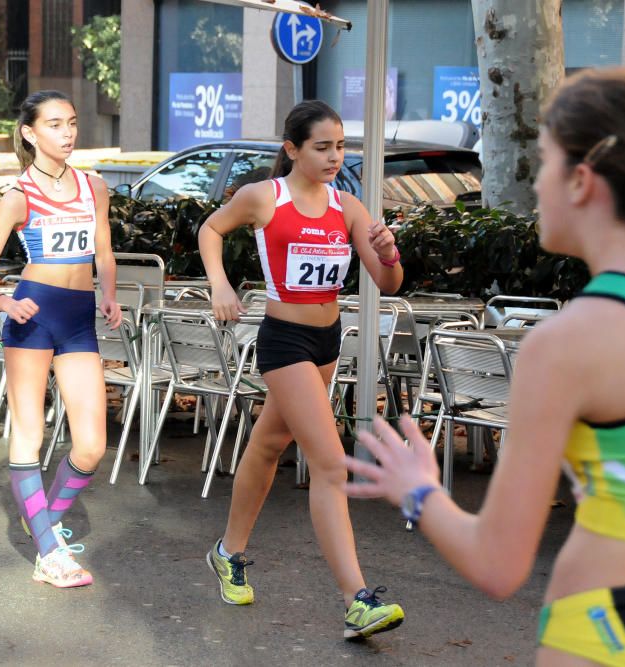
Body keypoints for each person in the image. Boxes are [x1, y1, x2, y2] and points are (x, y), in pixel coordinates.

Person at [345, 66, 625, 666]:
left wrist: (419, 491)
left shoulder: (568, 343)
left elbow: (498, 564)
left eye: (546, 162)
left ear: (583, 180)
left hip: (601, 636)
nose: (537, 185)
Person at [198, 100, 406, 640]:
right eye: (323, 147)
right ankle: (356, 600)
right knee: (331, 463)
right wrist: (220, 284)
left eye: (340, 146)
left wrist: (387, 253)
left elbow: (389, 285)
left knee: (269, 445)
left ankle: (228, 552)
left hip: (326, 340)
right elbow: (210, 230)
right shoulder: (264, 198)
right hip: (284, 340)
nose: (335, 156)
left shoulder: (349, 208)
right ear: (292, 149)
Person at [0, 90, 121, 588]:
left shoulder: (93, 186)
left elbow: (104, 250)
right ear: (31, 134)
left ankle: (45, 528)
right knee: (29, 435)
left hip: (78, 319)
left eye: (72, 123)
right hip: (32, 318)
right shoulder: (19, 196)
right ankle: (50, 552)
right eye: (54, 124)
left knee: (93, 445)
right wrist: (4, 302)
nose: (68, 132)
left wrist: (110, 294)